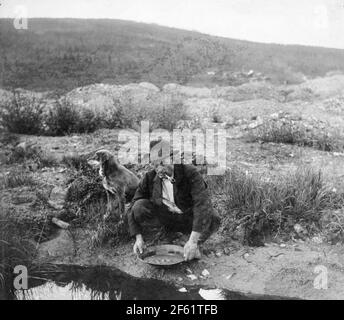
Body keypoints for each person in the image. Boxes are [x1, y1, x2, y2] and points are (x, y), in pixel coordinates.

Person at [127, 140, 220, 261]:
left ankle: (193, 244)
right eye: (155, 165)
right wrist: (138, 238)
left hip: (188, 218)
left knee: (213, 216)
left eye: (162, 163)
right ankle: (166, 234)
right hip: (166, 219)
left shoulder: (190, 173)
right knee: (139, 206)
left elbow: (201, 204)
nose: (159, 169)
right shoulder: (149, 177)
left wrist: (193, 241)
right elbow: (132, 206)